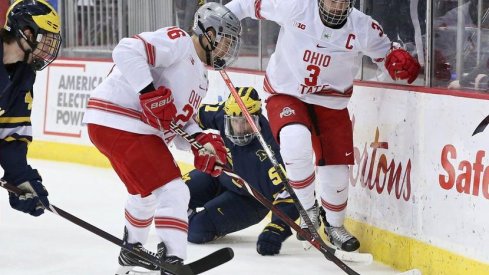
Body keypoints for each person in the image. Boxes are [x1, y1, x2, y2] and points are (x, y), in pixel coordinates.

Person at [225, 0, 420, 252]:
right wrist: (221, 19)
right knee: (295, 142)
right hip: (287, 92)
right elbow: (247, 5)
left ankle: (334, 226)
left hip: (332, 102)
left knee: (337, 170)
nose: (337, 5)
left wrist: (401, 63)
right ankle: (307, 211)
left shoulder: (363, 26)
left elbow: (387, 56)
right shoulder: (295, 6)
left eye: (343, 1)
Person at [82, 2, 241, 274]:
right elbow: (126, 50)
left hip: (125, 126)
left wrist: (201, 142)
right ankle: (173, 262)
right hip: (122, 119)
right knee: (174, 190)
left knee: (145, 195)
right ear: (210, 33)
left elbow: (175, 123)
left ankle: (130, 254)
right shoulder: (180, 41)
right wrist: (148, 92)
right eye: (227, 41)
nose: (228, 49)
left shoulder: (201, 78)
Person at [185, 87, 300, 256]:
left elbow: (289, 196)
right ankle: (185, 217)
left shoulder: (271, 153)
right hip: (222, 177)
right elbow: (192, 117)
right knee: (175, 193)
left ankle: (197, 219)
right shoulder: (223, 114)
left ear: (257, 118)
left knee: (196, 231)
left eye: (246, 121)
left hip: (249, 200)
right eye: (235, 121)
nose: (239, 127)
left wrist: (276, 229)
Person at [1, 0, 61, 217]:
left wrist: (21, 178)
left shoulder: (23, 76)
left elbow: (10, 135)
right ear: (27, 32)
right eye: (45, 39)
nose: (48, 48)